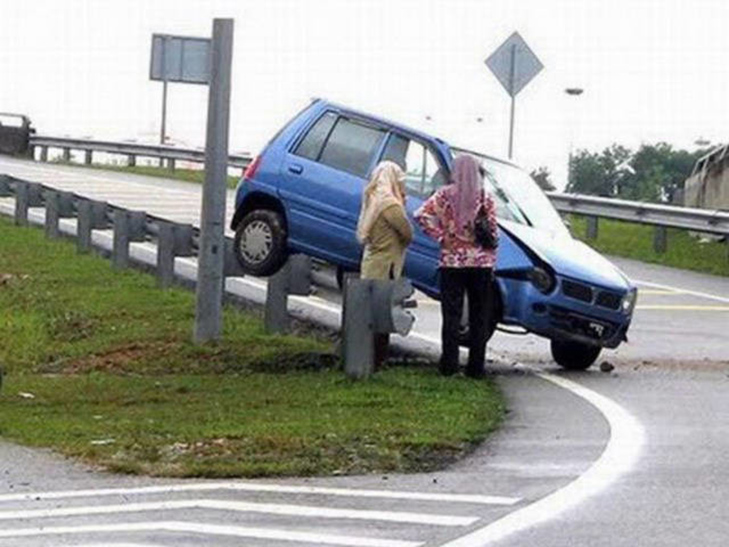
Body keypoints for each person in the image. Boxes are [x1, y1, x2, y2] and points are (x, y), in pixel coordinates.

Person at [414, 154, 498, 378]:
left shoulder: (444, 195)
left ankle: (449, 365)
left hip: (452, 261)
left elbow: (421, 215)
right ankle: (476, 368)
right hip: (481, 264)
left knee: (451, 314)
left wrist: (441, 236)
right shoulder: (485, 197)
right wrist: (491, 261)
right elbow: (492, 232)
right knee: (479, 316)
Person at [356, 160, 413, 367]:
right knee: (383, 314)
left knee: (370, 312)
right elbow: (407, 232)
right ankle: (378, 360)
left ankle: (366, 357)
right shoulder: (389, 204)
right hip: (386, 264)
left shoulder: (371, 198)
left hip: (371, 261)